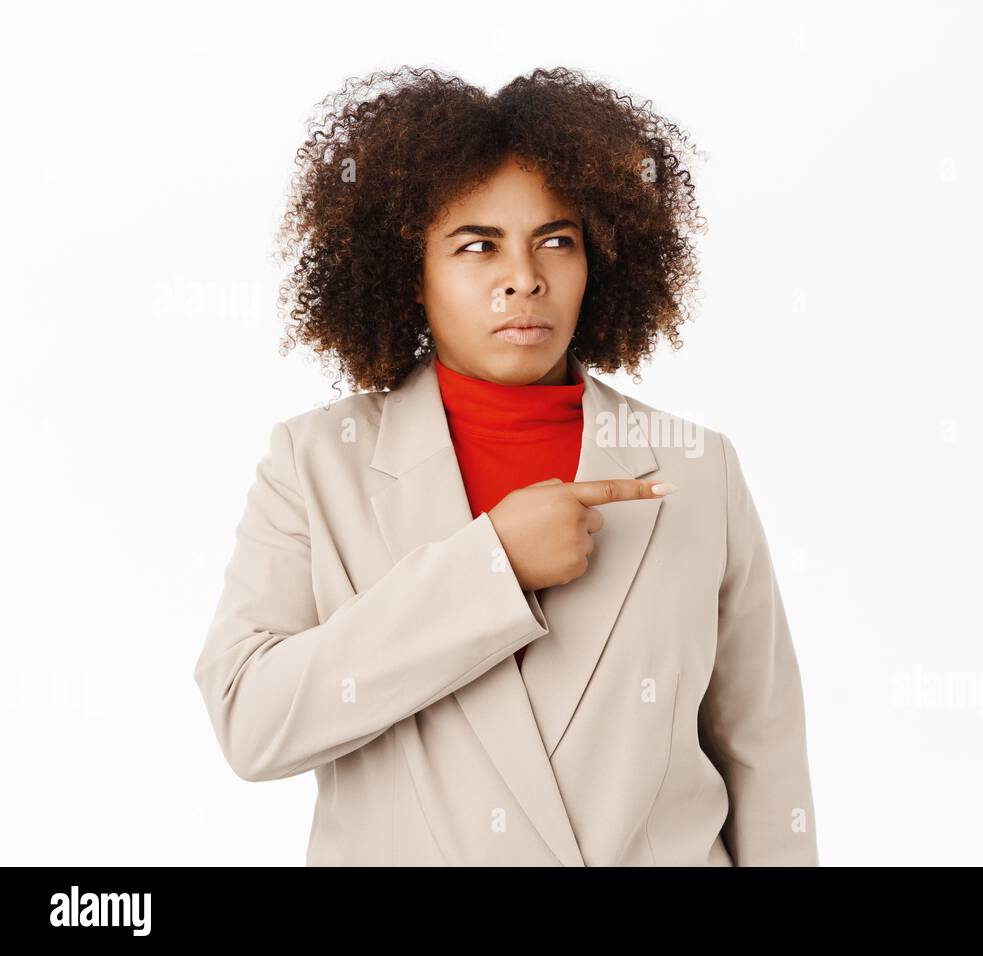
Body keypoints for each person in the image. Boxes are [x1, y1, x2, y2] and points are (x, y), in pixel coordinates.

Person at [193, 66, 818, 866]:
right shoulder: (316, 464)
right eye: (476, 246)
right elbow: (251, 721)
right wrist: (490, 570)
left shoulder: (699, 471)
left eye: (557, 241)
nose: (524, 277)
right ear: (409, 275)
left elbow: (764, 749)